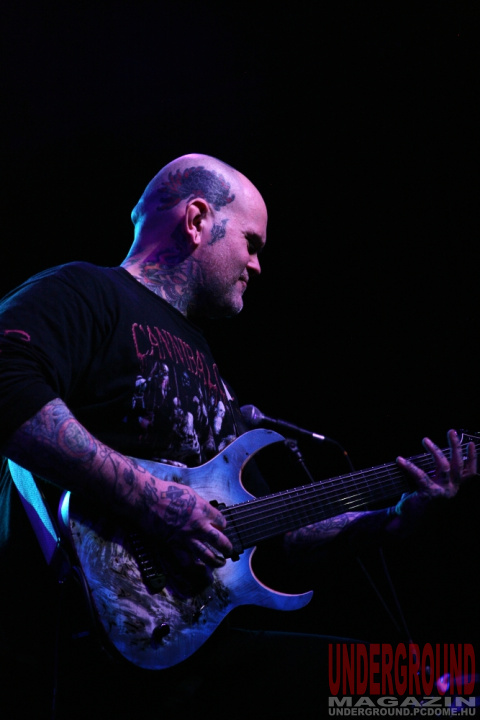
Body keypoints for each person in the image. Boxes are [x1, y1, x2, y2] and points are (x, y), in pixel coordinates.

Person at [0, 153, 477, 719]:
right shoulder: (86, 291)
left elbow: (272, 534)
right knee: (426, 690)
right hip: (88, 635)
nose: (257, 264)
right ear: (198, 220)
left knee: (436, 686)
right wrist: (154, 501)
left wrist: (394, 518)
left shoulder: (208, 366)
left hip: (196, 639)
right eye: (252, 243)